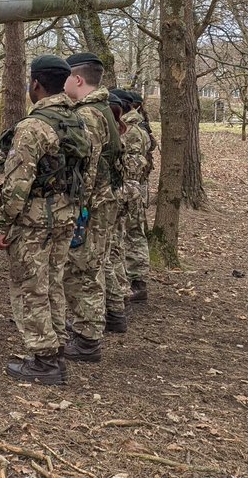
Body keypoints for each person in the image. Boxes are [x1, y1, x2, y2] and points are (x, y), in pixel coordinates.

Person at [0, 56, 88, 385]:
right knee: (53, 283)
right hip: (66, 214)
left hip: (35, 220)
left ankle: (45, 360)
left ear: (35, 83)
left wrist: (3, 225)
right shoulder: (78, 121)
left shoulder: (32, 127)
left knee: (30, 287)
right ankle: (57, 345)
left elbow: (17, 185)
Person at [61, 52, 122, 362]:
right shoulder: (102, 109)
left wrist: (75, 208)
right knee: (91, 268)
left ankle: (87, 339)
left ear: (78, 79)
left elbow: (88, 166)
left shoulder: (87, 115)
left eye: (67, 78)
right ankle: (88, 330)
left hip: (92, 205)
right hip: (104, 201)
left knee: (81, 270)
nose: (63, 84)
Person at [101, 92, 132, 332]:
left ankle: (114, 308)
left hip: (108, 200)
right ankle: (118, 300)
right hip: (117, 197)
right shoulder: (118, 133)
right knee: (113, 251)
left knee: (103, 258)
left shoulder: (114, 136)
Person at [119, 90, 151, 302]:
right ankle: (137, 280)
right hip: (138, 187)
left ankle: (134, 282)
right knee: (136, 233)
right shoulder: (141, 128)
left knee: (129, 234)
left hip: (127, 187)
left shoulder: (128, 130)